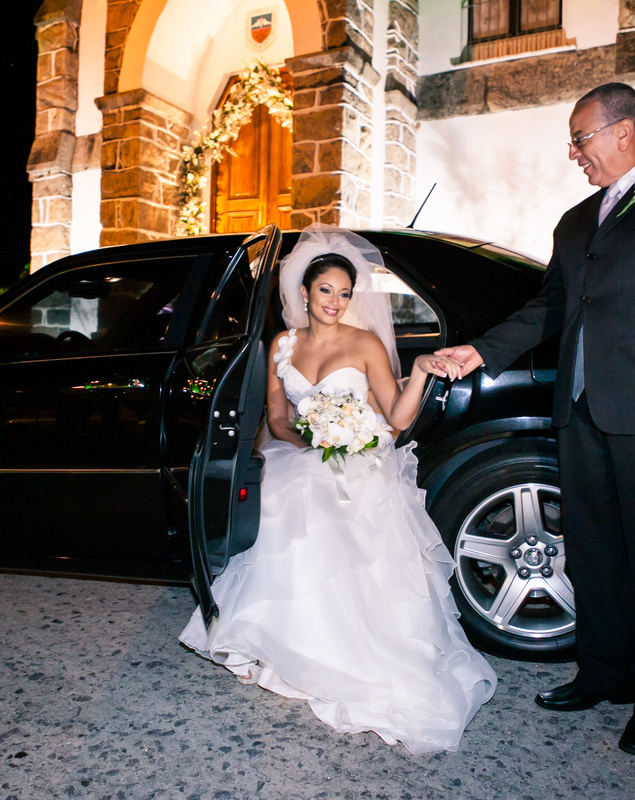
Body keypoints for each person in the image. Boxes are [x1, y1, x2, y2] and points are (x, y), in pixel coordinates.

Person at [435, 83, 635, 756]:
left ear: (622, 132)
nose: (574, 154)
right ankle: (603, 673)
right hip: (580, 413)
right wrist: (480, 350)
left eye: (580, 139)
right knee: (594, 556)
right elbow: (548, 310)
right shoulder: (576, 221)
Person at [179, 226, 496, 754]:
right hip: (302, 452)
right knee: (291, 490)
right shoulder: (281, 344)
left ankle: (349, 654)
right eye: (326, 290)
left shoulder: (366, 343)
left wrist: (418, 370)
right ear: (304, 292)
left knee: (322, 501)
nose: (335, 301)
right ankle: (285, 644)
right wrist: (308, 436)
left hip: (360, 459)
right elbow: (277, 417)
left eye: (345, 293)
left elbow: (394, 419)